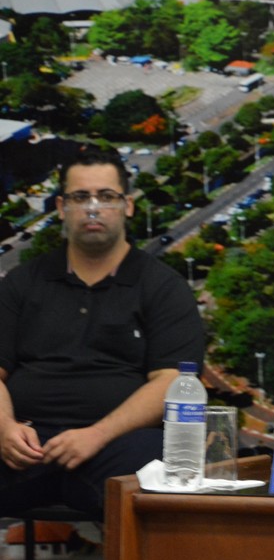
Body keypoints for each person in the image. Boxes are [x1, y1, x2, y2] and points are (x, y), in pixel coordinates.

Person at [0, 149, 205, 519]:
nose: (93, 209)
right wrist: (5, 429)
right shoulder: (22, 282)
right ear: (61, 207)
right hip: (24, 445)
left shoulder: (162, 287)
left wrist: (97, 435)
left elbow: (172, 381)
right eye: (80, 197)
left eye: (106, 197)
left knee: (165, 467)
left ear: (127, 205)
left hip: (118, 447)